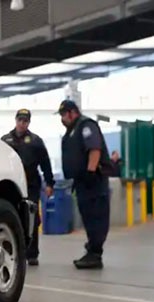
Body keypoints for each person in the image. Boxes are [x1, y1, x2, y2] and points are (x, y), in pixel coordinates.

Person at [57, 99, 111, 269]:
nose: (62, 119)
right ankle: (92, 251)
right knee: (88, 217)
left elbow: (94, 149)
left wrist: (90, 171)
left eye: (63, 115)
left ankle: (95, 254)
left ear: (72, 112)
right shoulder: (73, 130)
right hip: (82, 183)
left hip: (93, 181)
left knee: (96, 217)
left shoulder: (86, 125)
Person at [1, 108, 54, 266]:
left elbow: (45, 164)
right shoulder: (5, 140)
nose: (22, 124)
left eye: (25, 121)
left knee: (32, 219)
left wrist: (50, 183)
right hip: (11, 187)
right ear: (15, 120)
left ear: (28, 123)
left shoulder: (36, 141)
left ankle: (32, 254)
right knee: (11, 218)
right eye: (20, 120)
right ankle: (13, 251)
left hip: (31, 186)